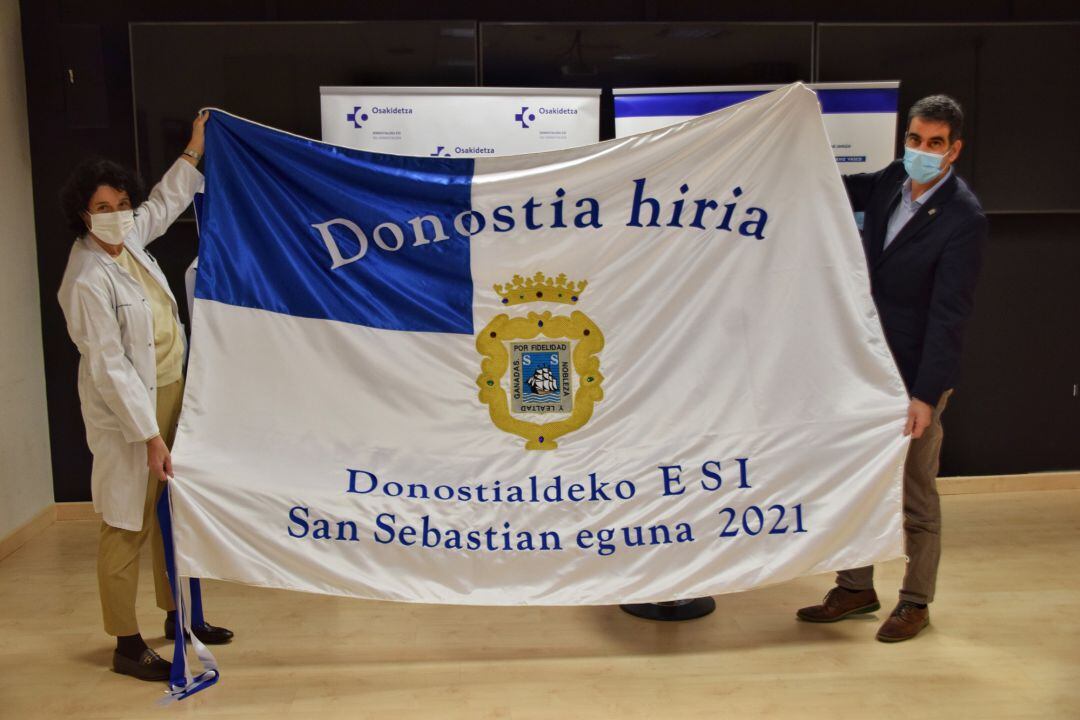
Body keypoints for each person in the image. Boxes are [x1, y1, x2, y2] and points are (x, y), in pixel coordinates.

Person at [796, 95, 986, 642]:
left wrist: (926, 395)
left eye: (933, 144)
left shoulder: (963, 219)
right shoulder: (889, 183)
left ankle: (916, 601)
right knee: (858, 479)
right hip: (866, 365)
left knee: (914, 490)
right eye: (914, 139)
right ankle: (855, 587)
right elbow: (836, 186)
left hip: (915, 377)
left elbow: (950, 316)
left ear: (954, 151)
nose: (921, 152)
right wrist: (788, 153)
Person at [58, 110, 233, 681]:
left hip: (172, 390)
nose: (115, 216)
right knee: (126, 521)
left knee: (172, 514)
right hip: (130, 412)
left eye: (119, 205)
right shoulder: (86, 277)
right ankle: (125, 643)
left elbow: (164, 203)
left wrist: (194, 149)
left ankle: (178, 615)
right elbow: (109, 367)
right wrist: (150, 434)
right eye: (101, 209)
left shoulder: (129, 241)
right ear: (83, 214)